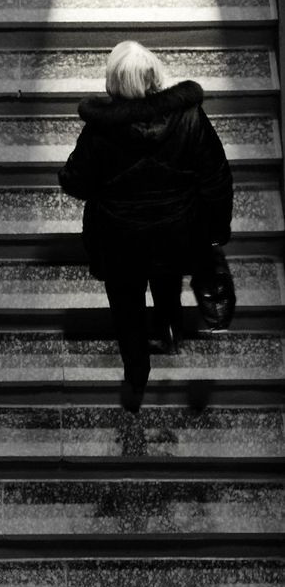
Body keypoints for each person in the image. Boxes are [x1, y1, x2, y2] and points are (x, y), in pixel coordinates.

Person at [58, 41, 233, 411]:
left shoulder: (100, 129)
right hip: (177, 231)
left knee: (126, 307)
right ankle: (168, 327)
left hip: (120, 238)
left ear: (114, 82)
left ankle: (137, 375)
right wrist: (217, 231)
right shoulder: (189, 117)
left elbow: (75, 182)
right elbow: (216, 178)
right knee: (167, 278)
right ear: (155, 75)